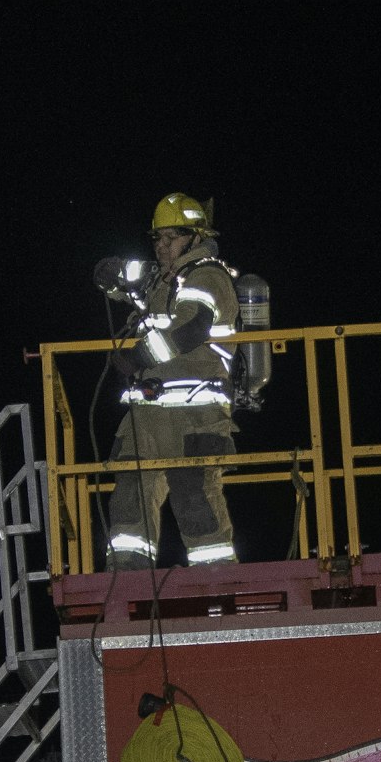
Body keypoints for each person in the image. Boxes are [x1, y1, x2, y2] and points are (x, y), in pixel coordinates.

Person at [99, 192, 239, 569]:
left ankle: (219, 588)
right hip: (146, 419)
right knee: (128, 502)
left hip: (195, 415)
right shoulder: (163, 280)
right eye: (157, 239)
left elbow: (192, 327)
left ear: (195, 237)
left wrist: (138, 357)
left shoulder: (208, 276)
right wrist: (107, 275)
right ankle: (126, 588)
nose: (162, 246)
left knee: (195, 501)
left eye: (171, 238)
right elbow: (128, 279)